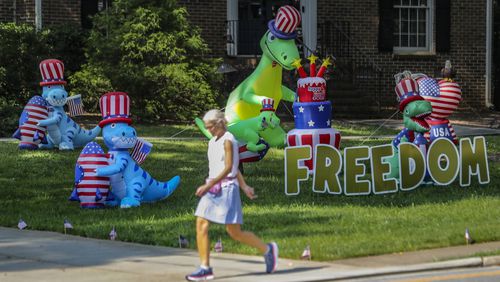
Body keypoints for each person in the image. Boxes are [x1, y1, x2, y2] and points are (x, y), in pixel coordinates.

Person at [186, 109, 278, 281]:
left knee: (234, 233)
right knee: (201, 223)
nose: (209, 130)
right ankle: (205, 268)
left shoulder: (229, 140)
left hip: (226, 189)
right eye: (207, 127)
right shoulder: (213, 141)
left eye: (211, 126)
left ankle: (267, 250)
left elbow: (229, 167)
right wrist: (244, 186)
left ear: (220, 123)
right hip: (213, 187)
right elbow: (233, 167)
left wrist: (212, 185)